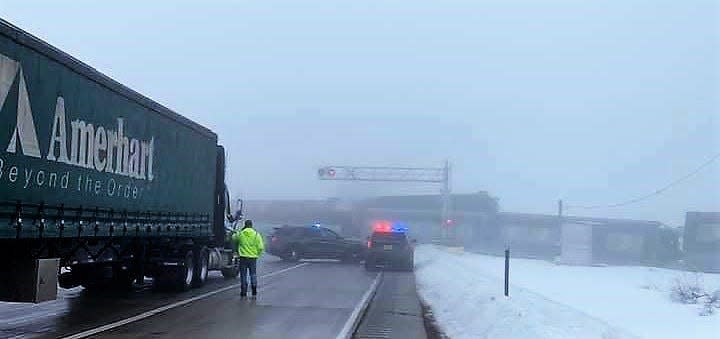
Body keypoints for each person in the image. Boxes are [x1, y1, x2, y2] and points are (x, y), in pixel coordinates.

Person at [232, 219, 265, 297]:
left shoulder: (241, 233)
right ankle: (254, 290)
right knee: (253, 274)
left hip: (243, 257)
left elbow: (233, 238)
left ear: (245, 225)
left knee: (243, 275)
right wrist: (257, 254)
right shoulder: (256, 234)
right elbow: (261, 247)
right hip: (253, 258)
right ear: (251, 225)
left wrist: (240, 231)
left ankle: (243, 291)